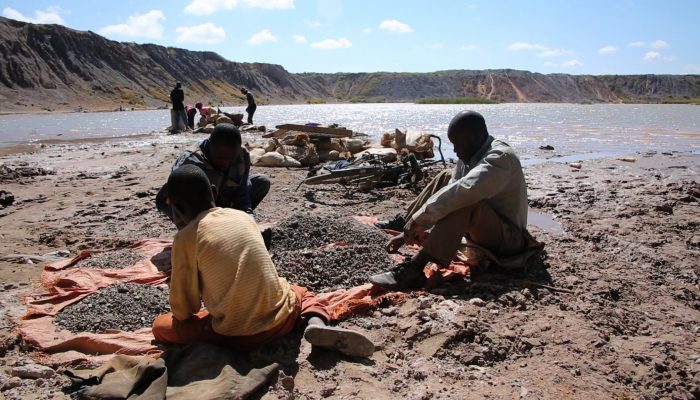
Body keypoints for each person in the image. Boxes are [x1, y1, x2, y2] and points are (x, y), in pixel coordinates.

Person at [152, 164, 375, 357]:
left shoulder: (185, 238)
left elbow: (183, 310)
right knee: (302, 294)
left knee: (161, 326)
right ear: (213, 191)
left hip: (238, 336)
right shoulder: (241, 217)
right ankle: (316, 323)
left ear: (176, 208)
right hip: (282, 318)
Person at [369, 111, 530, 290]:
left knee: (466, 200)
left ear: (475, 138)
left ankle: (415, 269)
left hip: (508, 240)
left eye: (458, 144)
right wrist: (417, 224)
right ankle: (405, 223)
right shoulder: (470, 154)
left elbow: (464, 191)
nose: (454, 150)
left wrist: (423, 219)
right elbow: (451, 188)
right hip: (483, 230)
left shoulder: (500, 158)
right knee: (445, 176)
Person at [156, 124, 270, 218]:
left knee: (262, 182)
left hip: (221, 197)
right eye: (220, 159)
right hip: (188, 203)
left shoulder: (242, 155)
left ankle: (230, 219)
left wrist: (248, 217)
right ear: (210, 146)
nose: (226, 164)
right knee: (212, 178)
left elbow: (243, 193)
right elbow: (179, 199)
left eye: (231, 159)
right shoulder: (191, 161)